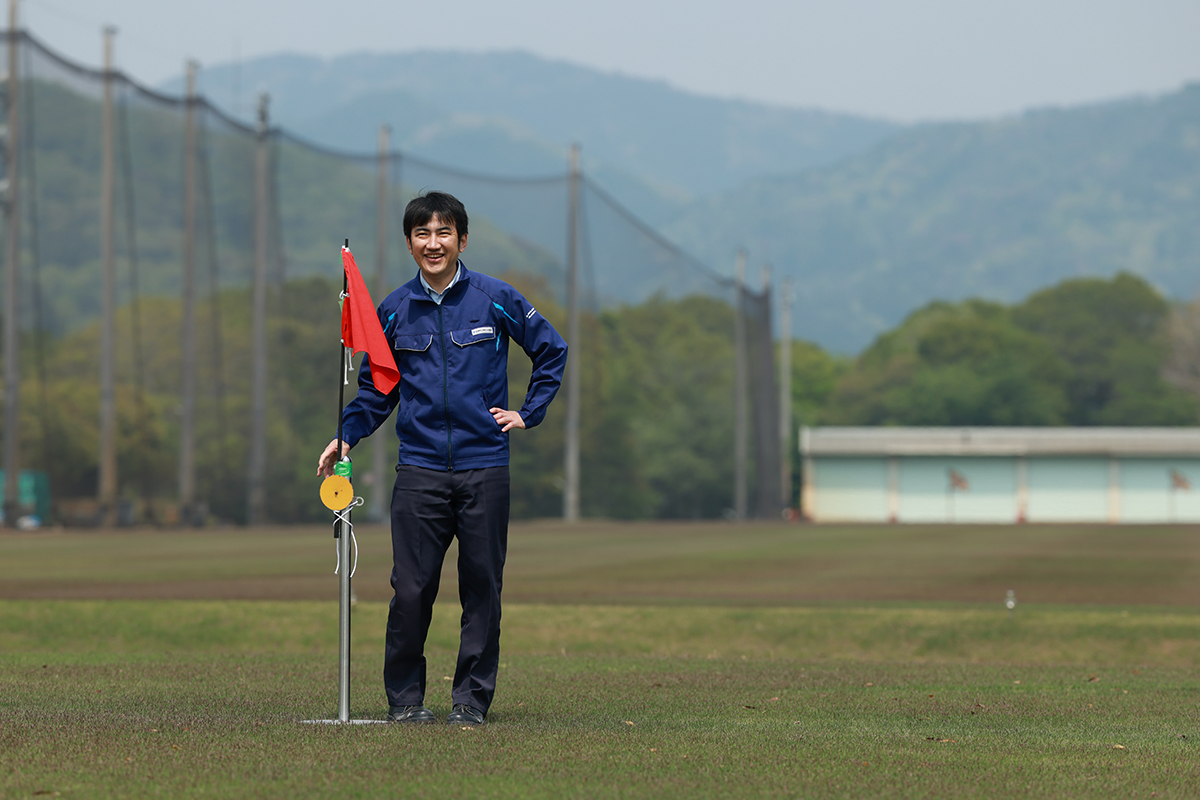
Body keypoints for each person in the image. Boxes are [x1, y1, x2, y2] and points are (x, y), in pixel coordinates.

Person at [316, 191, 567, 726]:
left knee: (482, 590)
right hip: (420, 471)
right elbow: (377, 389)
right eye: (423, 234)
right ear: (409, 244)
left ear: (462, 240)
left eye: (444, 233)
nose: (434, 243)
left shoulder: (495, 298)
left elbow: (552, 349)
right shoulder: (393, 310)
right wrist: (347, 436)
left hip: (485, 467)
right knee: (410, 590)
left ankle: (470, 702)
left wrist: (528, 413)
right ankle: (406, 701)